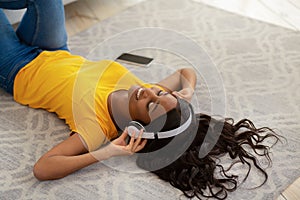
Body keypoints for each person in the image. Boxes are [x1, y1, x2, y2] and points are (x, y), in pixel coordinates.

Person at [0, 1, 281, 199]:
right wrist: (184, 93)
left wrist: (107, 153)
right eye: (159, 94)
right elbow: (186, 72)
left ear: (137, 126)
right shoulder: (145, 89)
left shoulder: (97, 127)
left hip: (15, 68)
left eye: (150, 105)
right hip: (56, 50)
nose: (148, 93)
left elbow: (42, 169)